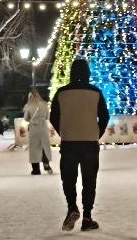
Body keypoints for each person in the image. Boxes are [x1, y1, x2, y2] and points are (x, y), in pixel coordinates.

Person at [50, 57, 110, 232]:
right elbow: (105, 117)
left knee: (68, 179)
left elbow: (53, 117)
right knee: (89, 181)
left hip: (69, 143)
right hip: (90, 143)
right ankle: (87, 217)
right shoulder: (96, 92)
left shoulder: (61, 93)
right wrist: (95, 133)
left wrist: (65, 132)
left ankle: (72, 207)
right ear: (87, 73)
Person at [24, 89, 53, 175]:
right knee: (44, 145)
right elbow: (48, 117)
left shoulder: (28, 105)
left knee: (34, 148)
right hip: (43, 127)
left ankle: (36, 169)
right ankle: (46, 163)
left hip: (34, 127)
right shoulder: (44, 105)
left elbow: (26, 118)